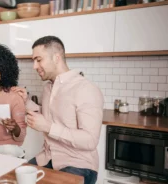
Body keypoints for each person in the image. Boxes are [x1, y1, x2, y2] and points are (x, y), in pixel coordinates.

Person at [12, 36, 104, 184]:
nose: (34, 66)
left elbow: (90, 140)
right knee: (15, 178)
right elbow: (50, 114)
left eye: (39, 59)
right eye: (33, 61)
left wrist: (48, 127)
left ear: (56, 57)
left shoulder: (86, 89)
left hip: (78, 164)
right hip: (47, 158)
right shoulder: (48, 87)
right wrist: (26, 102)